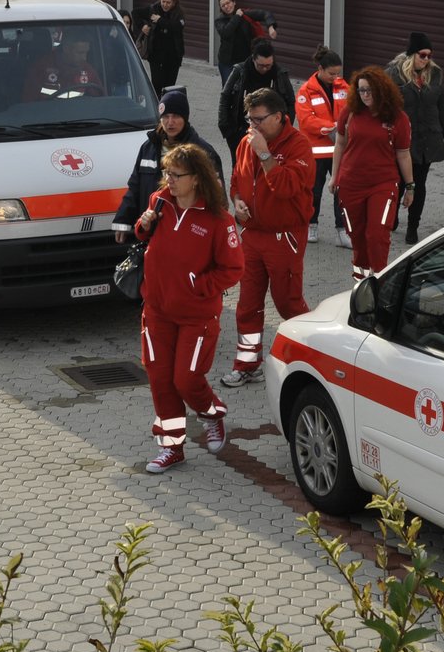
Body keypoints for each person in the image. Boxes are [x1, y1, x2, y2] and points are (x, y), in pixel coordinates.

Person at [135, 144, 244, 474]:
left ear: (196, 179)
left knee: (186, 379)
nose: (169, 179)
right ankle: (171, 448)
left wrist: (199, 285)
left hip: (197, 316)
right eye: (167, 172)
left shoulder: (217, 220)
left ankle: (212, 413)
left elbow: (233, 269)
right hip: (156, 311)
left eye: (176, 174)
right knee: (160, 380)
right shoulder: (160, 203)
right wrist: (143, 224)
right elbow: (142, 237)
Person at [220, 88, 315, 389]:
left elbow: (286, 188)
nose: (253, 126)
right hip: (252, 235)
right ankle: (248, 365)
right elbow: (236, 179)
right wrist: (236, 201)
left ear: (278, 116)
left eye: (259, 120)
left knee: (287, 303)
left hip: (284, 237)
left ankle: (314, 357)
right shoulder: (246, 142)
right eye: (250, 120)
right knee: (247, 304)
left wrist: (264, 152)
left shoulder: (299, 146)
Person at [331, 67, 415, 279]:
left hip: (383, 184)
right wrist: (334, 176)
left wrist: (411, 187)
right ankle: (360, 281)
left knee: (377, 234)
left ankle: (378, 279)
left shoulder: (398, 118)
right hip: (350, 184)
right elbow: (340, 144)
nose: (365, 95)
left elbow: (403, 154)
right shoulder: (350, 112)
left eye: (369, 90)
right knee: (357, 236)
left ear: (381, 89)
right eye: (361, 90)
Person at [112, 88, 222, 243]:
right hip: (153, 229)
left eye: (176, 116)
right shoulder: (148, 147)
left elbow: (218, 197)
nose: (170, 122)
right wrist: (123, 220)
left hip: (187, 234)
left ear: (185, 118)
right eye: (165, 116)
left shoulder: (203, 152)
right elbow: (135, 186)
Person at [386, 33, 444, 243]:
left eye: (429, 56)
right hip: (403, 139)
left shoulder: (434, 74)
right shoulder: (393, 75)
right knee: (399, 181)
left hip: (427, 137)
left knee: (419, 183)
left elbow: (440, 105)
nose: (426, 60)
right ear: (412, 54)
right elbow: (385, 107)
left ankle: (413, 227)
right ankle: (393, 216)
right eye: (422, 55)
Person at [295, 45, 350, 244]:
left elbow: (353, 112)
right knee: (313, 192)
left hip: (340, 151)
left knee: (341, 192)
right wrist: (333, 127)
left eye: (338, 73)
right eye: (331, 73)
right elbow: (306, 120)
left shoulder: (344, 88)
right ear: (320, 69)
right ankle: (311, 225)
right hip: (316, 154)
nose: (335, 77)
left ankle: (343, 230)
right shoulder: (305, 91)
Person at [217, 39, 296, 164]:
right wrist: (225, 127)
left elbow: (291, 102)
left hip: (271, 133)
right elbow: (225, 96)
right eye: (261, 65)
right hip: (239, 130)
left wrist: (285, 126)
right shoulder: (240, 71)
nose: (265, 69)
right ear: (253, 59)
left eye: (268, 65)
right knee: (239, 166)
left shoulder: (279, 74)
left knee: (264, 166)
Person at [213, 0, 277, 85]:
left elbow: (265, 14)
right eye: (223, 5)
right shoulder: (220, 21)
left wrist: (271, 27)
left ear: (234, 2)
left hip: (245, 60)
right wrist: (237, 17)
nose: (226, 6)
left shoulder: (245, 14)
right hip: (227, 62)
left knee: (245, 86)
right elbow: (226, 33)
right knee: (228, 87)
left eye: (228, 3)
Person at [132, 0, 186, 93]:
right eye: (163, 1)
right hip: (156, 56)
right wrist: (142, 26)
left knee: (169, 87)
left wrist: (160, 20)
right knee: (156, 85)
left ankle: (166, 107)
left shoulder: (179, 14)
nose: (165, 5)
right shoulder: (153, 9)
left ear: (174, 2)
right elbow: (135, 13)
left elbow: (176, 26)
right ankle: (156, 107)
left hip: (173, 58)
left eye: (168, 2)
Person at [24, 38, 102, 99]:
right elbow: (28, 103)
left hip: (80, 117)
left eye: (86, 53)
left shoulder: (88, 71)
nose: (84, 58)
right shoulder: (42, 68)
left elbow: (101, 103)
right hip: (47, 117)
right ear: (66, 49)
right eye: (80, 53)